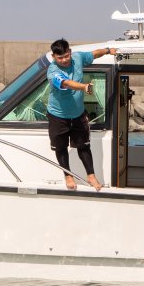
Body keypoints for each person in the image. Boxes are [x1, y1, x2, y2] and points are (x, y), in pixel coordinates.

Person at [46, 39, 116, 190]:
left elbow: (93, 54)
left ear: (70, 52)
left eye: (66, 56)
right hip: (58, 115)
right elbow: (66, 83)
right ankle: (68, 175)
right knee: (61, 148)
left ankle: (91, 176)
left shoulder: (77, 57)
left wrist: (108, 50)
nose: (64, 60)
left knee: (84, 146)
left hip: (78, 114)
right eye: (60, 58)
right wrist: (84, 87)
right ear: (53, 57)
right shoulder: (52, 72)